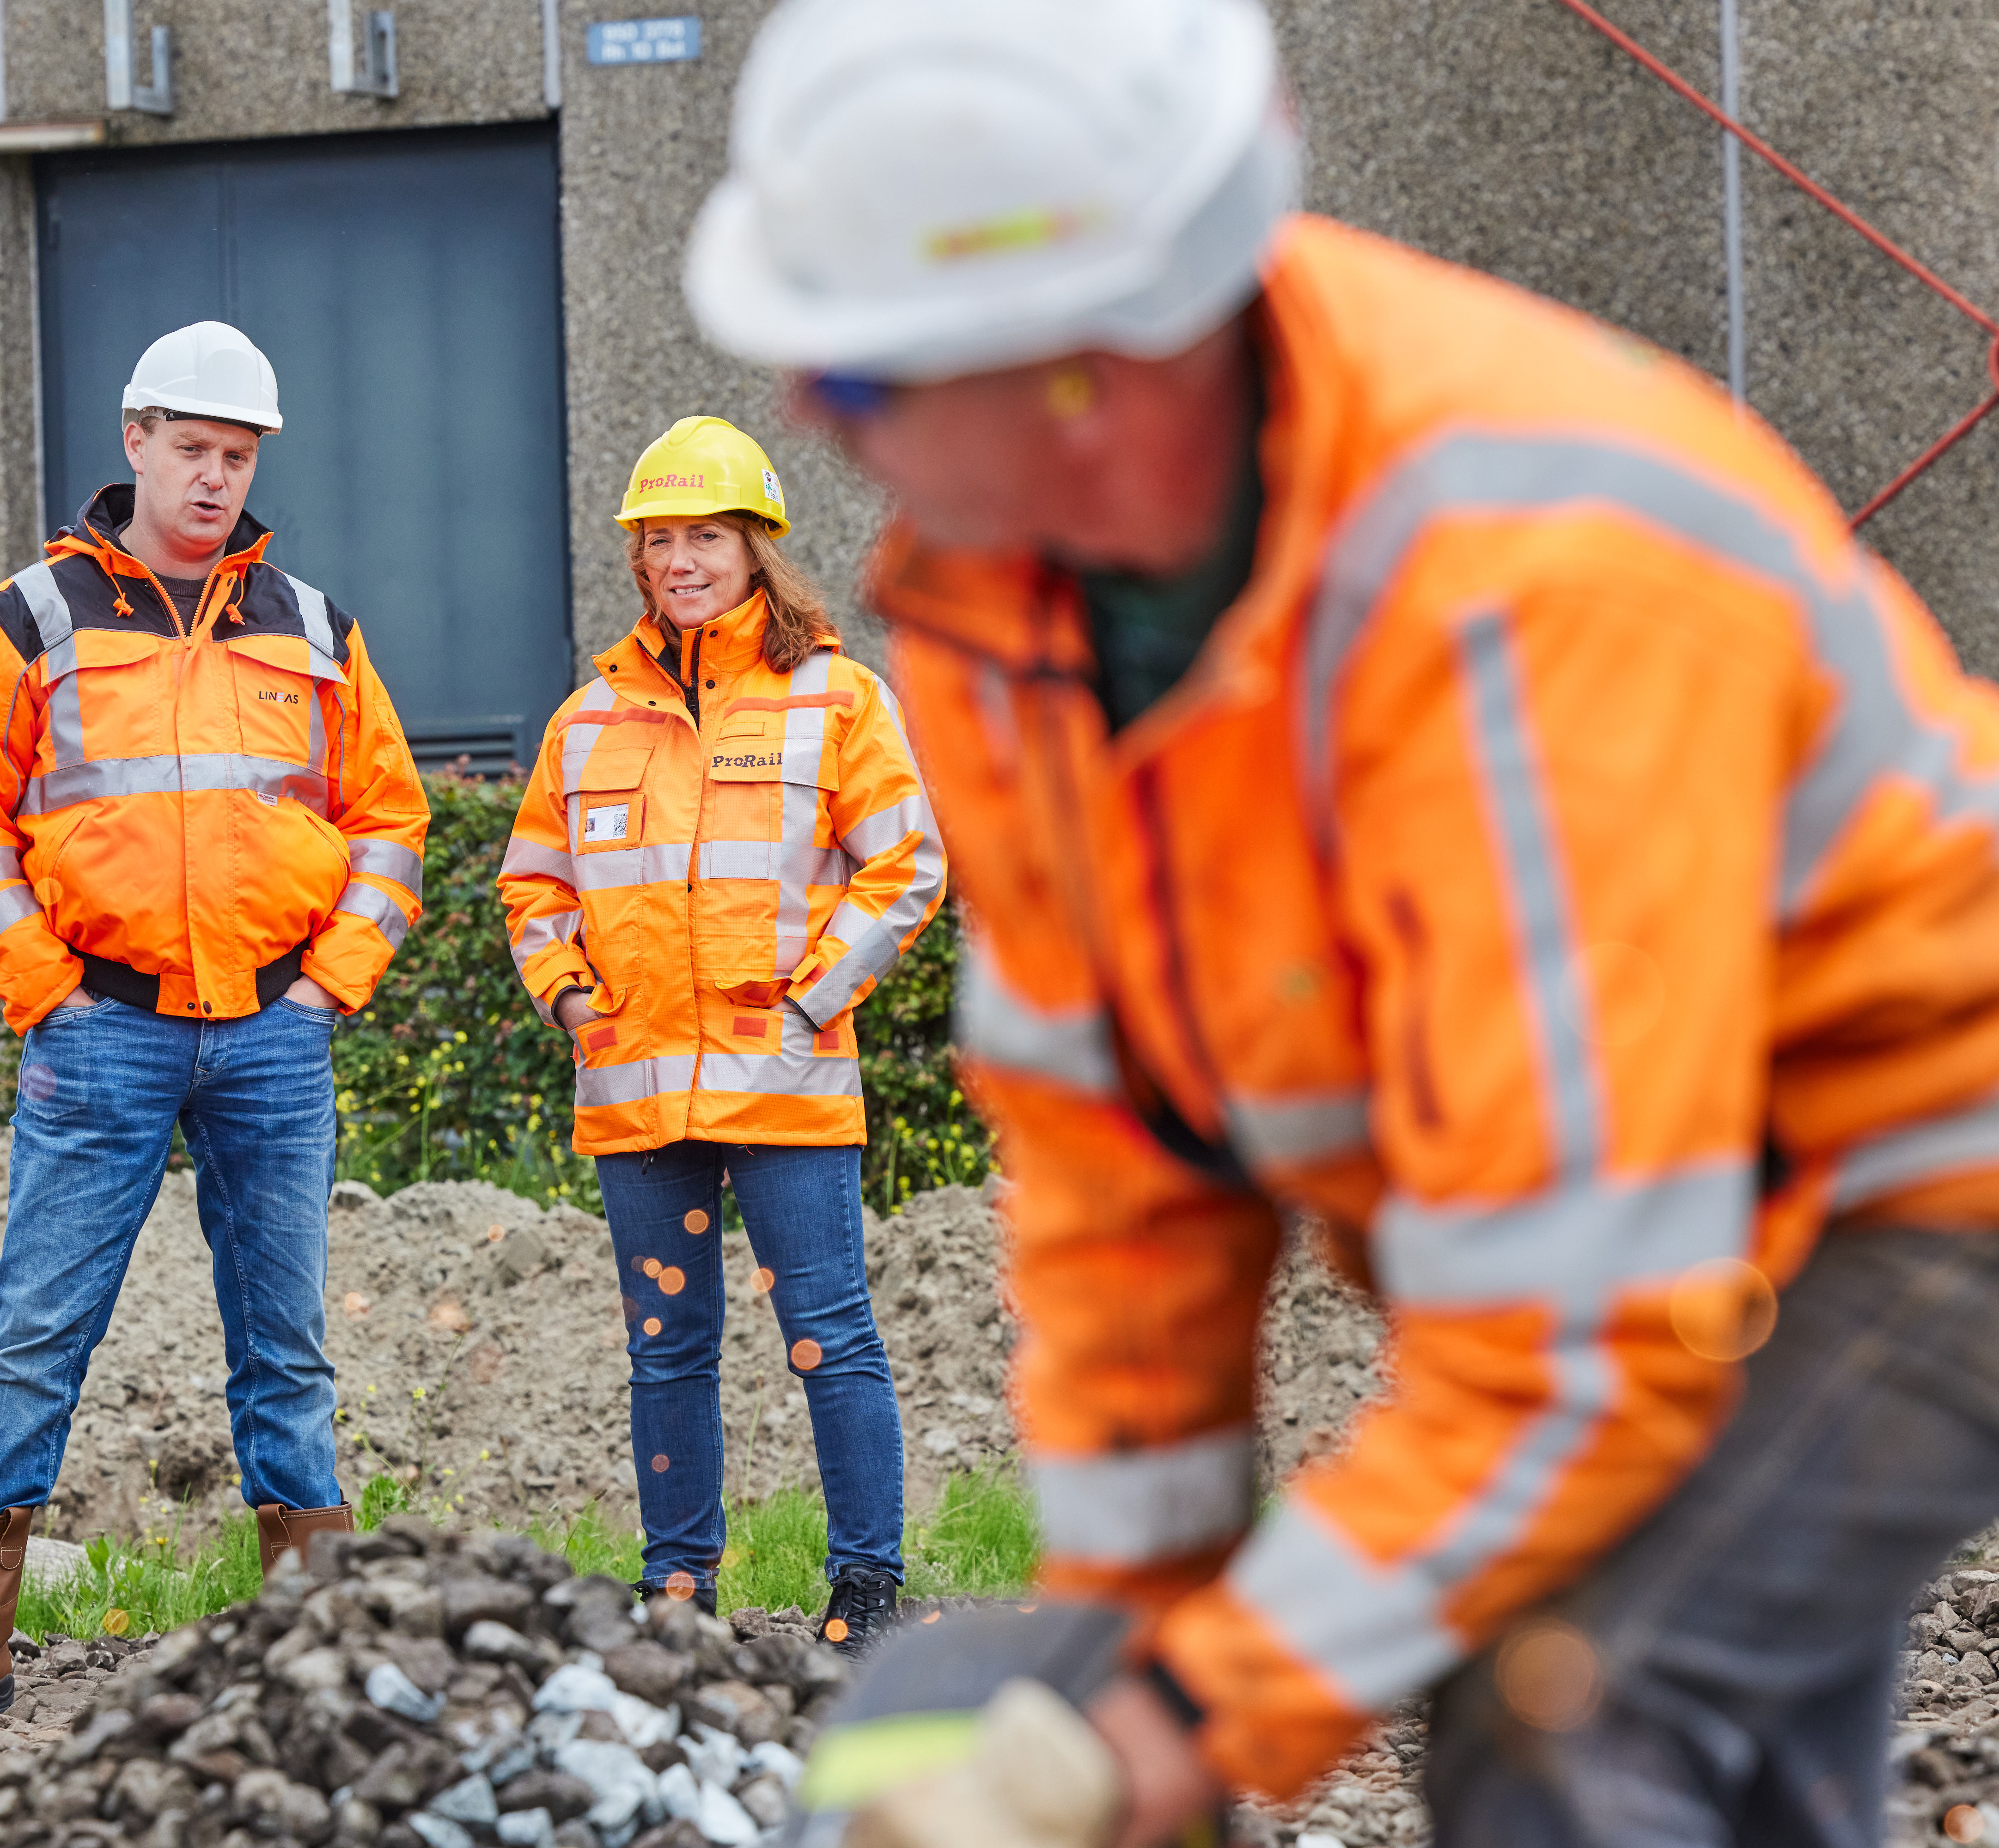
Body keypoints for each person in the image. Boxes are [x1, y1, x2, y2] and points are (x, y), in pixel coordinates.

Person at [688, 0, 1999, 1840]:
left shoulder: (1519, 588)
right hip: (1657, 1220)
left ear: (1094, 368)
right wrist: (1128, 1647)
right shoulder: (1006, 615)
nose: (825, 431)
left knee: (1583, 1687)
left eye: (865, 382)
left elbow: (1581, 1334)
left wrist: (1174, 1729)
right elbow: (1120, 1154)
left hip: (1920, 1171)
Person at [0, 321, 430, 1708]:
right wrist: (39, 984)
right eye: (193, 449)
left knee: (288, 1347)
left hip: (275, 1033)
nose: (215, 477)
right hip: (103, 1032)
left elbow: (389, 819)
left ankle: (309, 1645)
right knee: (37, 1335)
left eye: (239, 455)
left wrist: (334, 985)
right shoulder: (28, 619)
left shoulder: (315, 628)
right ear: (135, 439)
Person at [499, 416, 946, 1652]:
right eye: (660, 540)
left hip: (788, 1087)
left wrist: (810, 999)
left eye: (705, 536)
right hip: (640, 1094)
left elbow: (907, 866)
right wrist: (575, 1001)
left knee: (830, 1335)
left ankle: (867, 1586)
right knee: (667, 1350)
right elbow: (532, 887)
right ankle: (675, 1593)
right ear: (639, 559)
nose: (681, 560)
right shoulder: (588, 722)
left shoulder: (836, 698)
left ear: (757, 548)